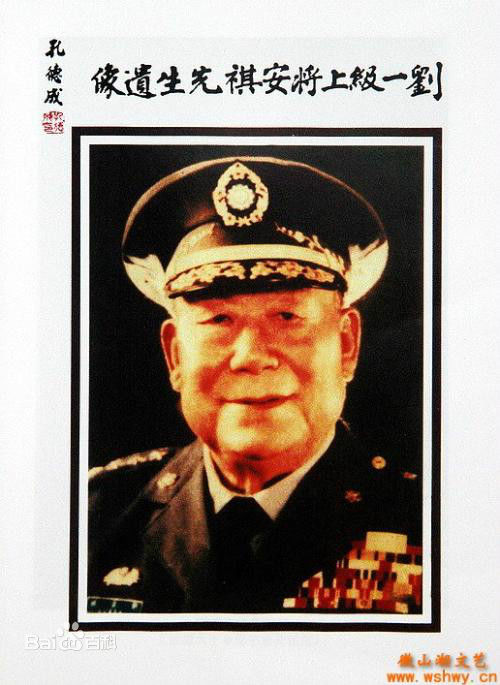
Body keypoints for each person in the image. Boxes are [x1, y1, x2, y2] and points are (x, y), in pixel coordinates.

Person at [87, 156, 422, 615]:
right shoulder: (95, 515)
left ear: (346, 345)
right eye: (218, 320)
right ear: (176, 355)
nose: (251, 356)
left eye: (287, 316)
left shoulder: (430, 522)